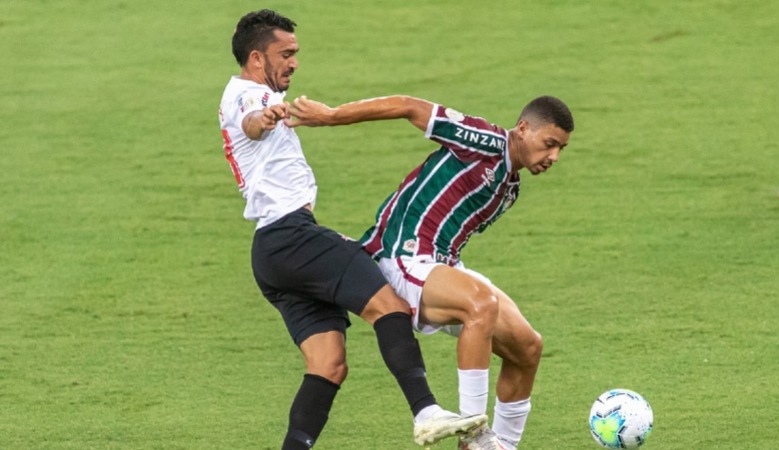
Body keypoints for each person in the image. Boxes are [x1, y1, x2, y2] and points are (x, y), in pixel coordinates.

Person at [216, 10, 487, 450]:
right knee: (391, 306)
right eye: (285, 54)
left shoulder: (249, 93)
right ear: (255, 58)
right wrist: (267, 118)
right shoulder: (246, 95)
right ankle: (426, 412)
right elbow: (251, 120)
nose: (294, 63)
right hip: (291, 236)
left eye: (296, 54)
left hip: (271, 254)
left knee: (328, 364)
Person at [286, 94, 574, 450]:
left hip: (441, 264)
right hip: (399, 256)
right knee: (481, 304)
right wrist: (332, 116)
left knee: (528, 347)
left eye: (561, 148)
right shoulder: (483, 140)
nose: (554, 157)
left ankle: (502, 446)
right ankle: (474, 437)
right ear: (523, 128)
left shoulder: (510, 186)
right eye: (549, 144)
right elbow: (409, 106)